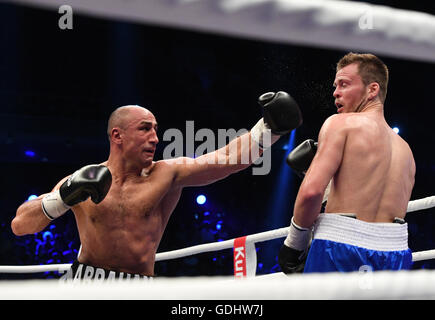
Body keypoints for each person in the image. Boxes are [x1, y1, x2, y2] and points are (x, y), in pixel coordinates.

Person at [12, 91, 302, 279]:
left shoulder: (167, 173)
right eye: (145, 129)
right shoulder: (81, 180)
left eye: (156, 130)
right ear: (117, 136)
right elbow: (20, 225)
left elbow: (228, 158)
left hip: (138, 285)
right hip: (85, 282)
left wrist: (267, 129)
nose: (155, 138)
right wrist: (61, 198)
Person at [278, 53, 416, 273]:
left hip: (340, 248)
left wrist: (295, 243)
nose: (335, 92)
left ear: (372, 90)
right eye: (335, 86)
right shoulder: (406, 150)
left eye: (344, 84)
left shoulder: (340, 124)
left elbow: (311, 192)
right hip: (395, 255)